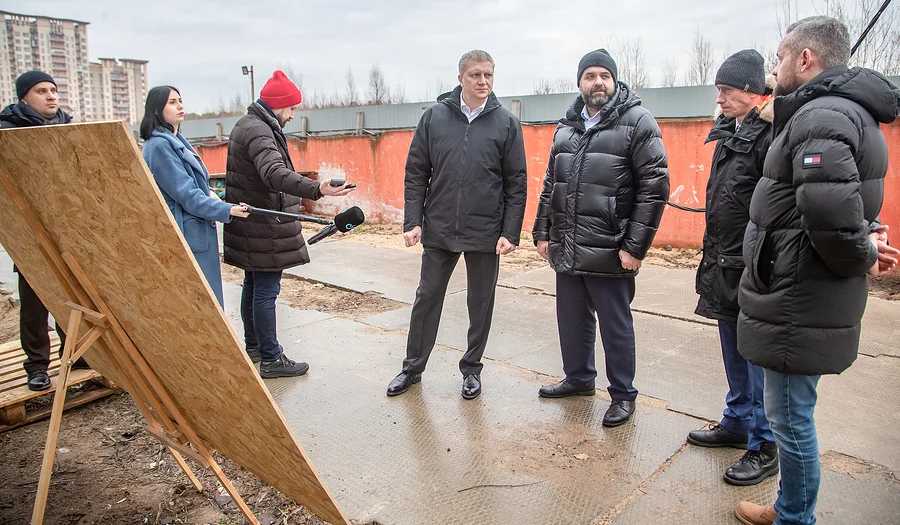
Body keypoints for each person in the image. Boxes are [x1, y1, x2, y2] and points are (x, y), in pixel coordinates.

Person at [733, 16, 900, 525]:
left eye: (780, 56)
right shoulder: (836, 113)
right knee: (792, 414)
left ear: (805, 58)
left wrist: (863, 251)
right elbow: (841, 197)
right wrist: (865, 234)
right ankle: (789, 509)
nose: (773, 68)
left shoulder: (822, 116)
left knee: (790, 420)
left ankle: (793, 518)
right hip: (801, 291)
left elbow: (828, 213)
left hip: (797, 297)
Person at [533, 49, 669, 427]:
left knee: (615, 326)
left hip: (612, 248)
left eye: (604, 76)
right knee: (572, 320)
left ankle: (623, 395)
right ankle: (578, 379)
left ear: (614, 81)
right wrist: (542, 233)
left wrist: (635, 246)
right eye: (590, 75)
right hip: (568, 245)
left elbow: (655, 188)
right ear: (579, 83)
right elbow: (551, 185)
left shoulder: (638, 122)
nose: (597, 82)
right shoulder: (566, 127)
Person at [386, 49, 527, 400]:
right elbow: (416, 172)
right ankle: (412, 369)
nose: (483, 81)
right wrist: (412, 220)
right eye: (476, 75)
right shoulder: (434, 118)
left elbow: (517, 181)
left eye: (489, 75)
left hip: (486, 231)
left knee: (480, 303)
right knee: (427, 298)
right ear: (460, 78)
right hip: (439, 227)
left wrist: (510, 231)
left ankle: (472, 370)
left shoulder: (506, 123)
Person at [688, 50, 779, 486]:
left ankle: (764, 444)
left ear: (750, 91)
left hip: (752, 265)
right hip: (722, 260)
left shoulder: (770, 133)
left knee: (756, 353)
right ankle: (737, 420)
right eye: (718, 90)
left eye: (726, 90)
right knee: (733, 348)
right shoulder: (729, 131)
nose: (719, 98)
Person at [224, 70, 352, 379]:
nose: (293, 114)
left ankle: (255, 348)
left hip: (254, 223)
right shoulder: (259, 131)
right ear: (278, 105)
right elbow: (274, 174)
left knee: (253, 285)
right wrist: (317, 189)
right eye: (292, 108)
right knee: (265, 290)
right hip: (265, 225)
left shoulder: (250, 125)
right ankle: (271, 358)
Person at [0, 71, 82, 391]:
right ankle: (36, 366)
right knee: (35, 303)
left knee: (70, 297)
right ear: (24, 97)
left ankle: (73, 352)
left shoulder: (66, 127)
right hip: (29, 231)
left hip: (66, 229)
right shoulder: (8, 132)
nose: (51, 96)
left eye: (53, 90)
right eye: (40, 91)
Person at [140, 86, 249, 308]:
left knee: (206, 305)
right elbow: (187, 195)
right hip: (186, 234)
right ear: (156, 109)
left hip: (196, 230)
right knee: (200, 307)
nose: (180, 105)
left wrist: (219, 201)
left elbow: (199, 187)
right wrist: (225, 210)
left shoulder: (175, 139)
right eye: (172, 102)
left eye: (180, 100)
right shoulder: (160, 145)